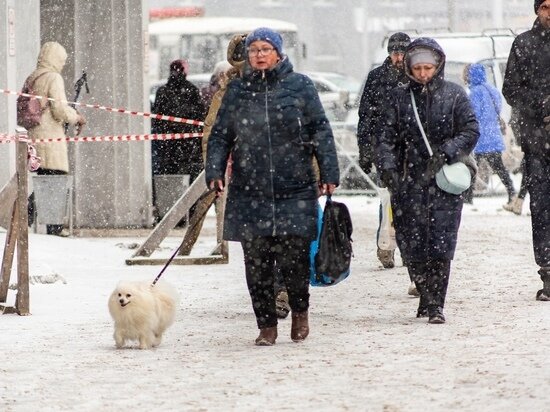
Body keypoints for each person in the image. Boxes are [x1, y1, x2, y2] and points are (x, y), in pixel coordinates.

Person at [205, 27, 340, 345]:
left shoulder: (300, 87)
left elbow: (320, 129)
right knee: (257, 263)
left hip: (294, 186)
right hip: (250, 190)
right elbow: (221, 133)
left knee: (294, 259)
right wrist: (214, 169)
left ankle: (300, 311)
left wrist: (329, 172)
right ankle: (266, 325)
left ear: (278, 53)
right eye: (254, 50)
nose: (259, 55)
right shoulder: (238, 91)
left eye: (266, 49)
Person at [376, 38, 479, 324]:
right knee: (411, 244)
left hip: (443, 181)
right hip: (408, 181)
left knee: (441, 243)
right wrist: (387, 168)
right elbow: (385, 138)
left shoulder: (455, 95)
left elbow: (470, 130)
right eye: (418, 68)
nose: (423, 74)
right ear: (409, 68)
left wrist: (446, 152)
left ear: (438, 66)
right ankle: (423, 288)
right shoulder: (398, 98)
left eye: (428, 68)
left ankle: (436, 303)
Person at [502, 0, 550, 301]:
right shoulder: (524, 44)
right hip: (536, 142)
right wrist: (542, 104)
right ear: (537, 10)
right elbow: (511, 88)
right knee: (542, 209)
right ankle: (547, 272)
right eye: (546, 7)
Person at [357, 32, 410, 271]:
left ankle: (409, 247)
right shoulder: (377, 78)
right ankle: (386, 243)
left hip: (411, 148)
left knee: (411, 199)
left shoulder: (415, 76)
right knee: (388, 197)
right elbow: (365, 115)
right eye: (395, 52)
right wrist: (365, 149)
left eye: (402, 52)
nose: (398, 57)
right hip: (384, 146)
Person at [27, 41, 86, 236]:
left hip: (35, 135)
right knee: (56, 181)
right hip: (50, 135)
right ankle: (53, 227)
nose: (62, 63)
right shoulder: (53, 78)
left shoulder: (33, 77)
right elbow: (59, 109)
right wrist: (76, 116)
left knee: (45, 180)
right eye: (61, 59)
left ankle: (21, 217)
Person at [151, 59, 206, 220]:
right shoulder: (192, 91)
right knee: (188, 178)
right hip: (188, 145)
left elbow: (157, 118)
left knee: (168, 178)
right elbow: (199, 116)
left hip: (167, 146)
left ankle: (169, 212)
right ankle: (189, 211)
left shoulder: (163, 91)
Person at [463, 63, 516, 207]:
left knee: (472, 167)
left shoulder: (474, 92)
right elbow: (498, 108)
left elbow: (472, 114)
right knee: (499, 168)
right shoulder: (492, 89)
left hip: (480, 137)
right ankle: (511, 191)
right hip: (493, 134)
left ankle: (467, 198)